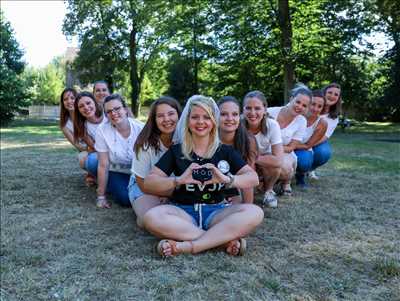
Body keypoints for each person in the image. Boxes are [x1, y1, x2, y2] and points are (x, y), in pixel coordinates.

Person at [143, 95, 263, 257]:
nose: (200, 122)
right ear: (187, 121)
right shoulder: (177, 151)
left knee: (255, 212)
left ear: (214, 121)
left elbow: (252, 178)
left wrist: (227, 179)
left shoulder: (224, 151)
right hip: (183, 213)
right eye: (195, 117)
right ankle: (220, 242)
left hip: (217, 212)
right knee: (151, 217)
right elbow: (150, 183)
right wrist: (178, 180)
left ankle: (187, 246)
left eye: (206, 117)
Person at [129, 96, 181, 227]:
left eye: (171, 114)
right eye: (160, 116)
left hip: (176, 188)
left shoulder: (187, 140)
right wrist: (162, 193)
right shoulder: (145, 144)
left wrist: (170, 195)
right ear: (154, 119)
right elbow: (142, 184)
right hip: (145, 187)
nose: (166, 119)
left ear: (179, 115)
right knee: (150, 219)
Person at [91, 94, 144, 208]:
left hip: (138, 172)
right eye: (109, 111)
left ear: (125, 109)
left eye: (117, 108)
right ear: (106, 115)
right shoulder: (102, 130)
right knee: (125, 199)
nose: (113, 113)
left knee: (140, 196)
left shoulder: (141, 128)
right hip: (116, 170)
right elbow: (103, 164)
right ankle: (107, 184)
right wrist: (101, 197)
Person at [267, 84, 311, 196]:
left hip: (285, 151)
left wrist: (274, 149)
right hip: (263, 149)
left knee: (286, 169)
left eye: (304, 105)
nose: (300, 106)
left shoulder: (302, 121)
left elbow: (291, 147)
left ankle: (287, 181)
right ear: (291, 99)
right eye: (298, 102)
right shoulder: (270, 112)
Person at [242, 91, 283, 207]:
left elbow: (278, 160)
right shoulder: (237, 124)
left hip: (262, 159)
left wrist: (253, 157)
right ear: (243, 110)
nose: (252, 113)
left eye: (257, 108)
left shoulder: (272, 125)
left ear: (265, 109)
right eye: (248, 108)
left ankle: (269, 191)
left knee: (276, 168)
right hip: (245, 162)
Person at [218, 96, 258, 204]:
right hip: (214, 184)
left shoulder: (248, 140)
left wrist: (248, 208)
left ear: (239, 117)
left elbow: (249, 178)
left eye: (235, 114)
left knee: (237, 203)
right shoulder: (208, 139)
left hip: (235, 183)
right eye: (223, 114)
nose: (230, 118)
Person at [308, 83, 342, 180]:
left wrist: (308, 145)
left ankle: (310, 169)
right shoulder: (311, 106)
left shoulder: (334, 118)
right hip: (300, 135)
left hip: (318, 139)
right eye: (330, 92)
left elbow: (324, 137)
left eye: (336, 95)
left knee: (324, 152)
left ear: (338, 98)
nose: (332, 96)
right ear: (323, 93)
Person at [294, 90, 327, 187]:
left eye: (319, 106)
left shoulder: (322, 123)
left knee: (305, 161)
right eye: (313, 104)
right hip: (285, 146)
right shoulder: (297, 114)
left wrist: (292, 146)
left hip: (301, 148)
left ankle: (300, 175)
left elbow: (308, 145)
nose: (315, 109)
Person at [73, 92, 107, 184]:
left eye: (88, 103)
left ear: (94, 102)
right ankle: (98, 176)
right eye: (81, 106)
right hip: (102, 152)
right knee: (88, 160)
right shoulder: (82, 126)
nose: (86, 108)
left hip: (120, 148)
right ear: (78, 110)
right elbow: (95, 147)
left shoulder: (107, 114)